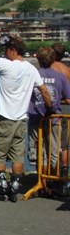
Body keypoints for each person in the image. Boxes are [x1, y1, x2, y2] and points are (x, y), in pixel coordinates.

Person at [0, 34, 52, 202]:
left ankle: (2, 185)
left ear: (12, 50)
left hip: (3, 116)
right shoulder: (31, 69)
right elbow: (44, 91)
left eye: (6, 50)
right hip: (21, 118)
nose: (4, 53)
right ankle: (15, 185)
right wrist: (49, 109)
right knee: (17, 154)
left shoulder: (6, 65)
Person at [27, 46, 70, 195]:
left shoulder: (33, 74)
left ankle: (42, 182)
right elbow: (68, 98)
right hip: (54, 118)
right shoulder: (61, 75)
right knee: (55, 150)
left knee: (38, 151)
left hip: (35, 116)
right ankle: (54, 180)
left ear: (38, 59)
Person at [50, 43, 70, 193]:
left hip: (54, 108)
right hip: (67, 108)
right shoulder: (67, 70)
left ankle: (51, 174)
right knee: (65, 144)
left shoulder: (50, 69)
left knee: (51, 142)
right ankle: (64, 172)